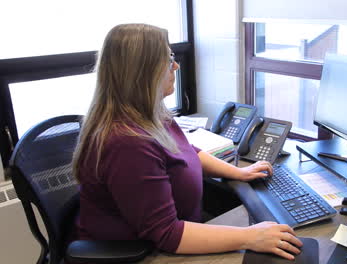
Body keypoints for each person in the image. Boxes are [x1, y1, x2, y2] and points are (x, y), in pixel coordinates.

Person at [72, 23, 302, 260]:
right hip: (140, 254)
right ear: (144, 71)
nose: (176, 65)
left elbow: (185, 151)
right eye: (168, 59)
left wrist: (238, 172)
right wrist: (249, 237)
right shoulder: (127, 143)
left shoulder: (149, 112)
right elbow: (167, 233)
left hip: (175, 233)